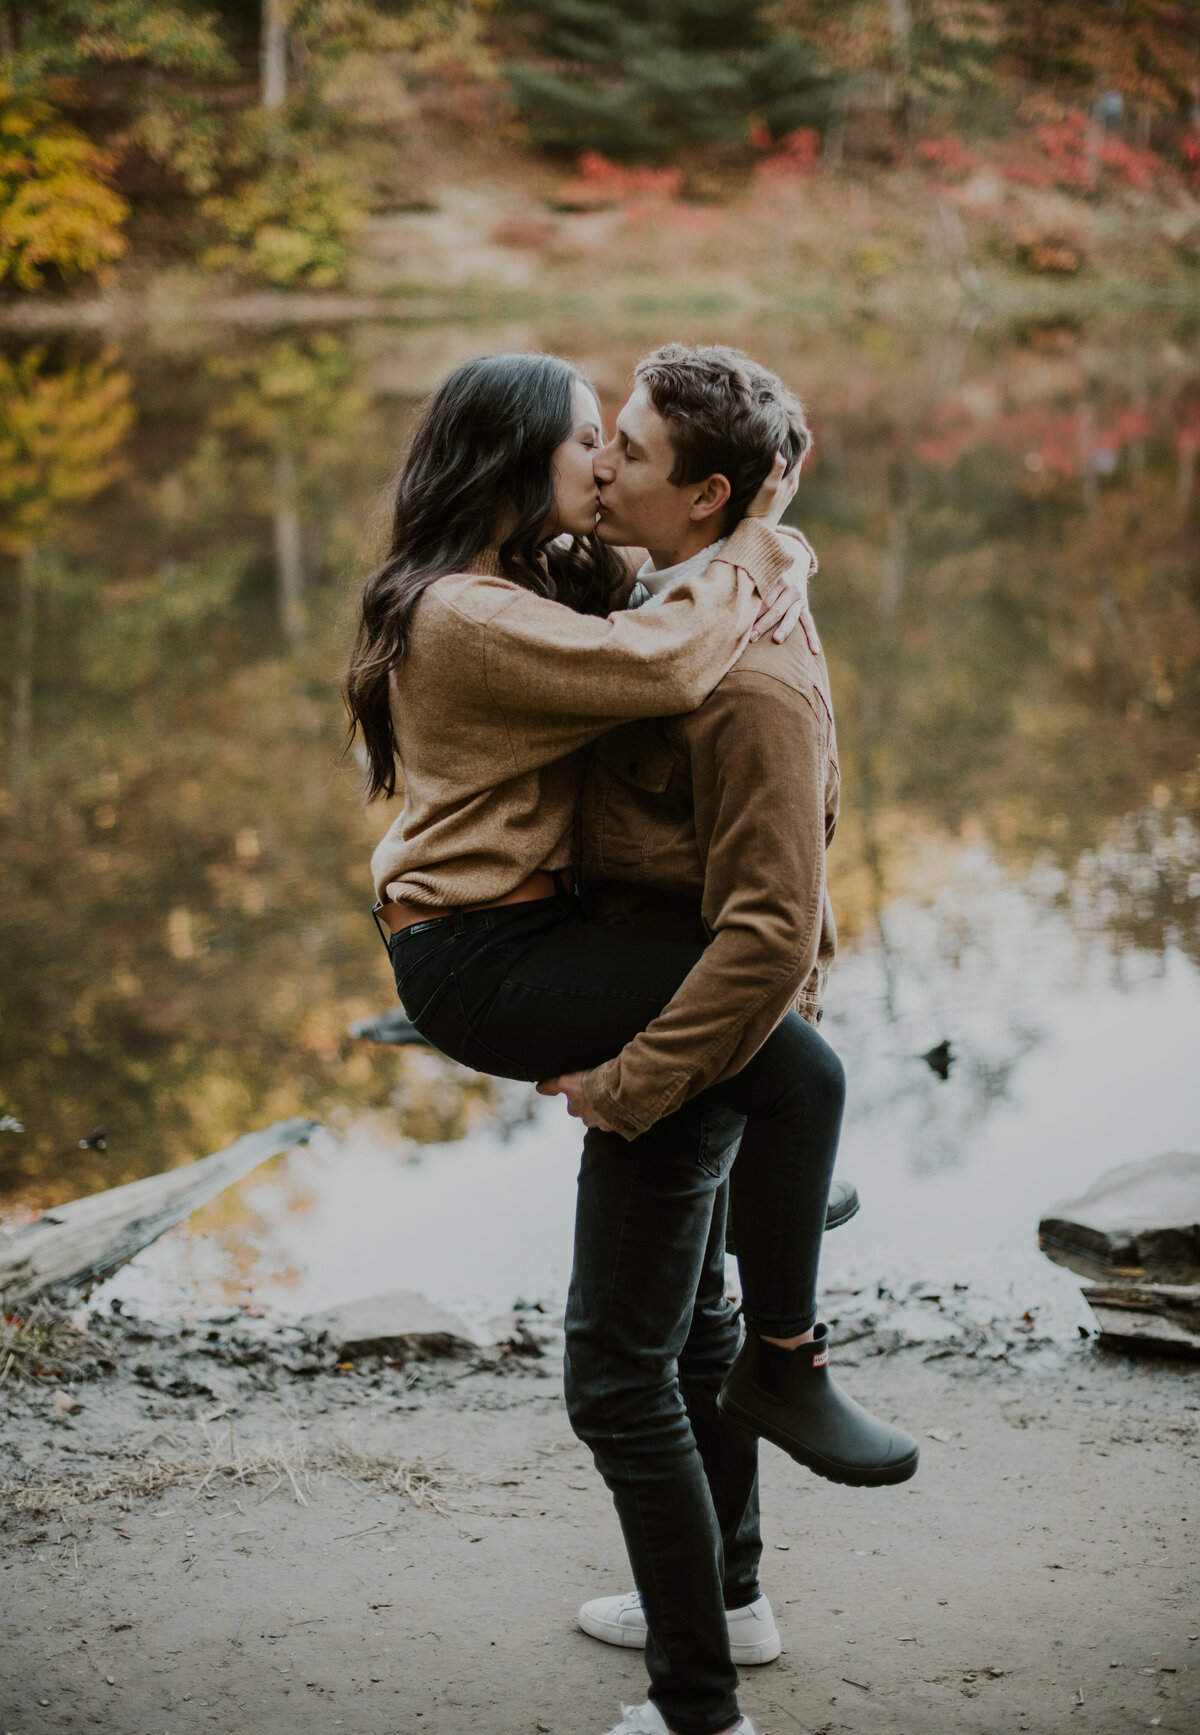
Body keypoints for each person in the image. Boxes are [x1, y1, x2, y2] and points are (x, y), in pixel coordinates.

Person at [346, 348, 915, 1735]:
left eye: (626, 448)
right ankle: (781, 1376)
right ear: (519, 457)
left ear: (699, 494)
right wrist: (759, 543)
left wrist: (773, 538)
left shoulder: (587, 590)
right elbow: (657, 659)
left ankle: (715, 1644)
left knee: (671, 1307)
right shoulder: (483, 611)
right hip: (499, 956)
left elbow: (765, 913)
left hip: (580, 955)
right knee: (792, 1078)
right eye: (589, 441)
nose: (603, 466)